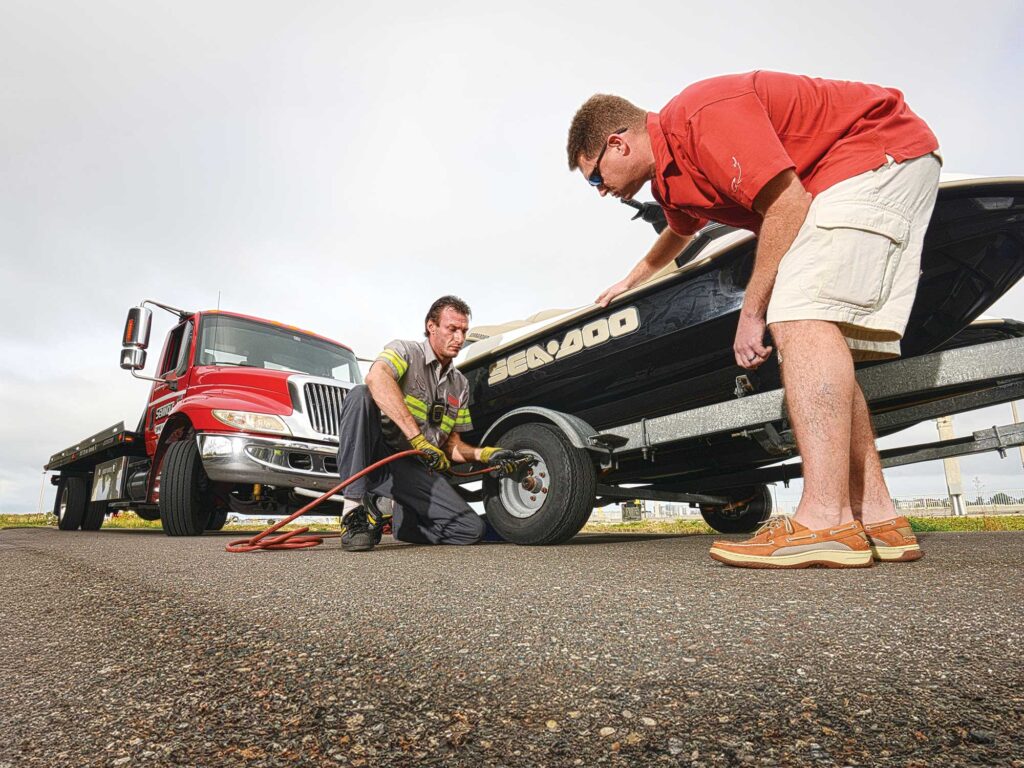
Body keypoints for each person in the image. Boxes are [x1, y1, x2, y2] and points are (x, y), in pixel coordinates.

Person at [567, 71, 940, 568]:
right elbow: (678, 233)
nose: (599, 191)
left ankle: (824, 521)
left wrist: (752, 312)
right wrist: (629, 281)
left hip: (873, 154)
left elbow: (787, 204)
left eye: (594, 176)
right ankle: (877, 516)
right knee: (821, 338)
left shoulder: (700, 115)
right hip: (852, 174)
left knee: (798, 314)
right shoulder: (670, 183)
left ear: (618, 144)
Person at [335, 295, 521, 552]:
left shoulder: (460, 384)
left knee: (470, 530)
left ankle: (401, 521)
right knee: (360, 396)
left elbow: (451, 444)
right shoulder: (405, 351)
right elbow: (376, 377)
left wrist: (485, 454)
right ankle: (353, 510)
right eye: (452, 329)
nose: (459, 338)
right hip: (375, 456)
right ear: (431, 326)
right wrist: (418, 440)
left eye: (463, 331)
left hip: (410, 467)